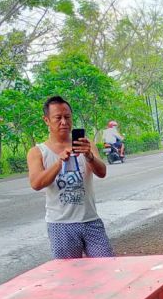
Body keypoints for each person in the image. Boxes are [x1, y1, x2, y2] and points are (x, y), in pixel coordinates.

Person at [27, 96, 113, 259]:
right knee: (69, 275)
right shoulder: (38, 152)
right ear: (47, 120)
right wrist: (59, 163)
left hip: (90, 220)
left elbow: (102, 173)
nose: (64, 122)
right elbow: (36, 183)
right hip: (60, 224)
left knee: (106, 267)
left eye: (67, 117)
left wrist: (89, 156)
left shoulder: (86, 145)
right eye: (58, 118)